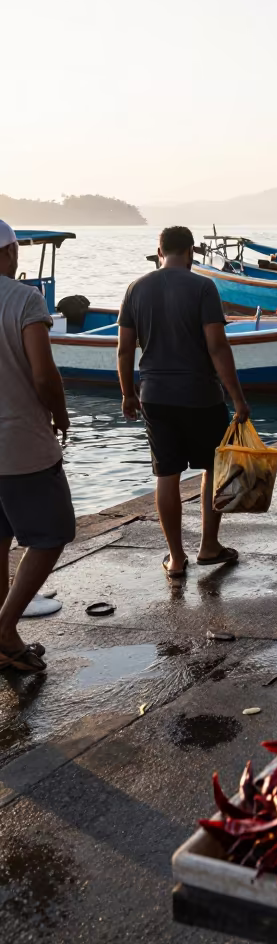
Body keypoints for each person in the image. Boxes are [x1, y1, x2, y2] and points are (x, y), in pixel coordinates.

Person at [118, 226, 251, 579]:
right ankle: (209, 546)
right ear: (191, 251)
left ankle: (176, 559)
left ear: (158, 251)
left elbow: (124, 348)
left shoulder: (136, 288)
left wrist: (127, 393)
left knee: (166, 475)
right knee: (212, 469)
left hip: (155, 396)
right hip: (201, 396)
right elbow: (217, 346)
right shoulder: (203, 287)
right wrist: (237, 397)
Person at [0, 221, 75, 673]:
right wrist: (61, 415)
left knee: (0, 535)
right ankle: (5, 628)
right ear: (9, 252)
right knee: (53, 533)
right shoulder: (24, 299)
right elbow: (45, 376)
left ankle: (4, 641)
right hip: (19, 443)